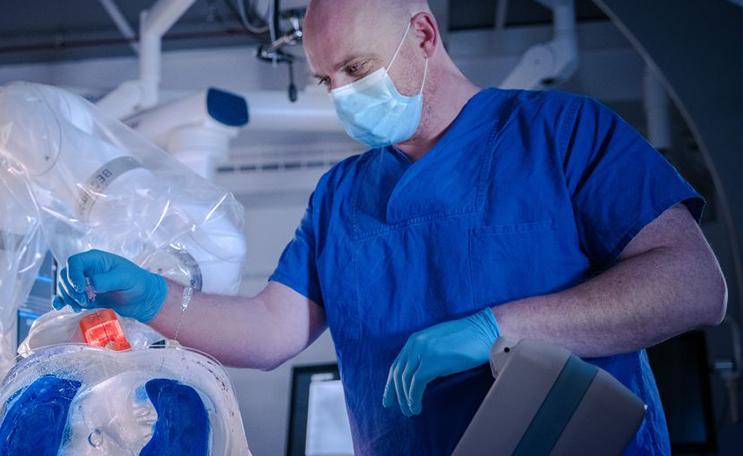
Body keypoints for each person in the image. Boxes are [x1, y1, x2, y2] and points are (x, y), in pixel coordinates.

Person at [52, 0, 727, 454]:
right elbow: (268, 331)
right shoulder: (341, 197)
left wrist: (498, 328)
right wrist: (151, 296)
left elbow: (693, 284)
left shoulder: (561, 134)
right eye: (327, 80)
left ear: (425, 36)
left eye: (357, 68)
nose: (344, 94)